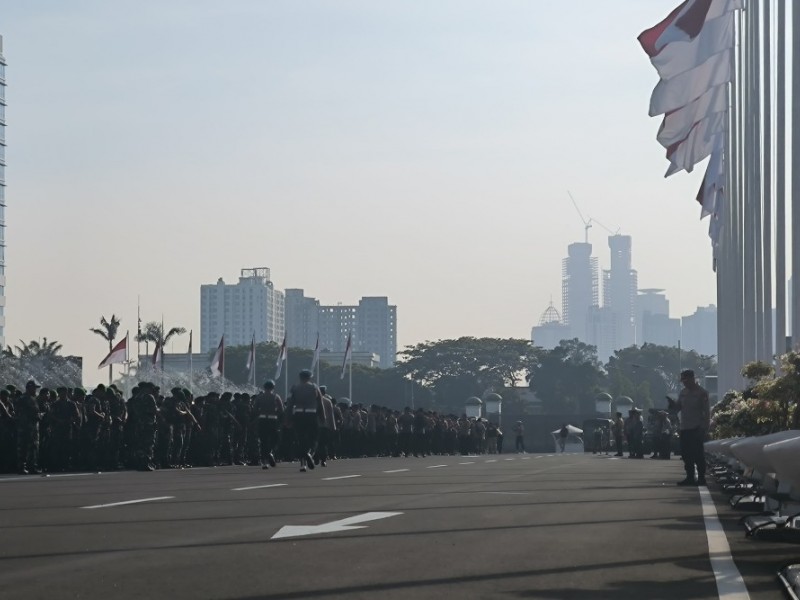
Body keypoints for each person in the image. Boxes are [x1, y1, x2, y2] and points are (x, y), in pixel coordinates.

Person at [669, 369, 710, 486]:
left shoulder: (702, 393)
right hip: (685, 428)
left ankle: (701, 478)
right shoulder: (683, 393)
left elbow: (707, 412)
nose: (684, 382)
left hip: (697, 428)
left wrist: (705, 428)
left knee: (698, 455)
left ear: (693, 378)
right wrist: (672, 405)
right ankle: (690, 477)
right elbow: (678, 408)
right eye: (683, 380)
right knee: (686, 455)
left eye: (686, 380)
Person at [287, 370, 323, 472]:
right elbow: (320, 403)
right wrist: (322, 417)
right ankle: (309, 454)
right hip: (311, 415)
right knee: (313, 438)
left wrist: (288, 418)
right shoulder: (314, 387)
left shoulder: (294, 388)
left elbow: (290, 404)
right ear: (310, 377)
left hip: (298, 415)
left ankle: (303, 464)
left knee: (300, 439)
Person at [255, 380, 283, 469]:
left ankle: (264, 462)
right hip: (272, 419)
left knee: (263, 441)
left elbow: (255, 409)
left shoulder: (260, 397)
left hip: (262, 419)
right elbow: (281, 410)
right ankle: (270, 452)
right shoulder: (276, 397)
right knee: (275, 439)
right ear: (273, 387)